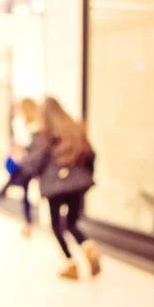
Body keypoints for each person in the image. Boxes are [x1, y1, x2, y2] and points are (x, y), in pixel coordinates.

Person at [8, 97, 100, 280]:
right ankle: (88, 246)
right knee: (72, 223)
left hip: (55, 187)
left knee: (56, 225)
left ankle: (70, 264)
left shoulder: (45, 134)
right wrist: (86, 175)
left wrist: (20, 164)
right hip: (77, 185)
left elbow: (35, 162)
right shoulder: (75, 128)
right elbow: (91, 154)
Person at [0, 98, 39, 238]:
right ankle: (27, 223)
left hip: (28, 162)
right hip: (26, 161)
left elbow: (26, 143)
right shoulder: (25, 122)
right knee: (25, 192)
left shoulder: (30, 124)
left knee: (24, 190)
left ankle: (2, 192)